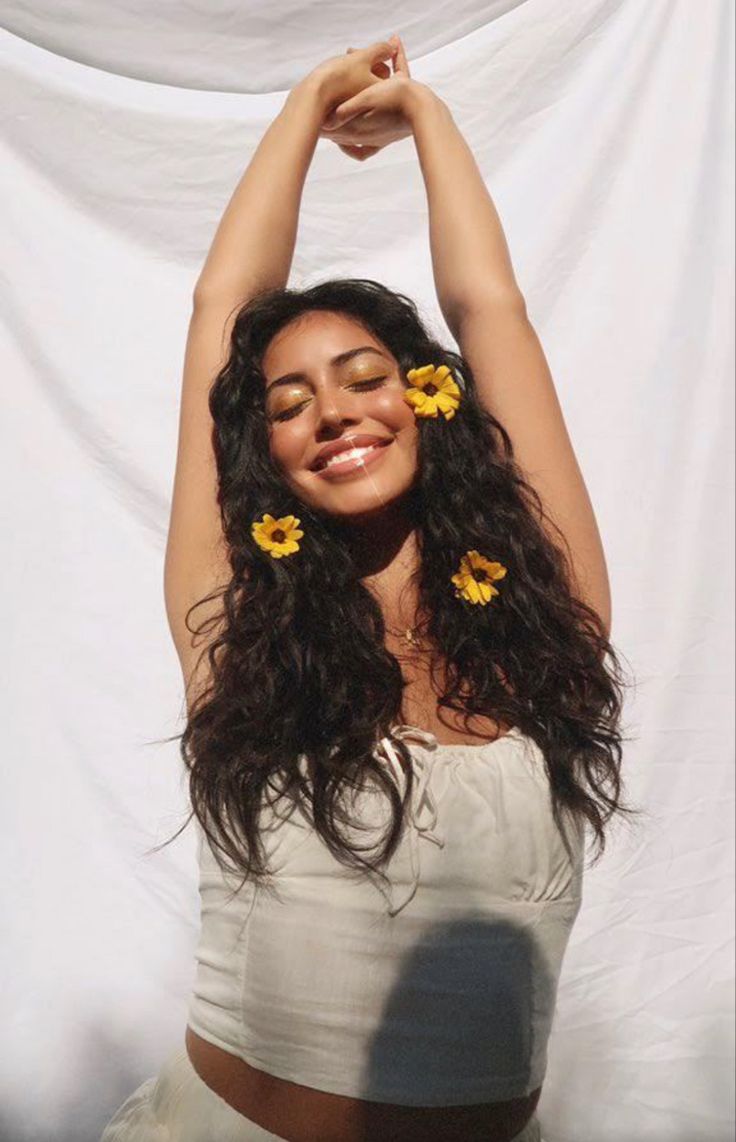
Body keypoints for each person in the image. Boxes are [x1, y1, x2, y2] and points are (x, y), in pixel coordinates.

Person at [100, 34, 634, 1142]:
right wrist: (306, 107)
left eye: (364, 378)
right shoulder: (236, 625)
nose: (333, 412)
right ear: (266, 449)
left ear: (431, 401)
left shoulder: (546, 619)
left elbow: (494, 312)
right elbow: (220, 306)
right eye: (288, 400)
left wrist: (425, 115)